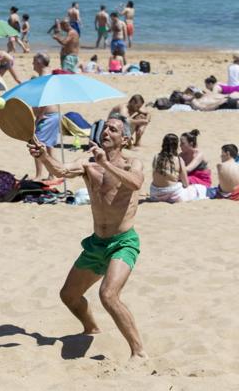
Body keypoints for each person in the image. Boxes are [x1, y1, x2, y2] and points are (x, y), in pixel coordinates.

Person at [28, 114, 147, 359]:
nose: (106, 132)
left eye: (113, 130)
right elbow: (59, 170)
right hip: (96, 243)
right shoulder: (88, 163)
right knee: (68, 295)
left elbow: (136, 183)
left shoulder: (132, 163)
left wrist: (106, 164)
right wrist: (43, 155)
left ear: (124, 139)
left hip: (123, 242)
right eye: (104, 128)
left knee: (108, 295)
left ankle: (139, 352)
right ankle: (92, 328)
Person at [149, 133, 207, 202]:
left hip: (154, 193)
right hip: (172, 193)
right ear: (175, 145)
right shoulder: (178, 159)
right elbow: (186, 184)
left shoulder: (156, 157)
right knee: (197, 189)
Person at [31, 53, 60, 180]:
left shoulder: (44, 77)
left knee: (36, 144)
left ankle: (39, 175)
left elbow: (44, 99)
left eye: (33, 61)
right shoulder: (50, 75)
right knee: (49, 146)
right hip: (53, 114)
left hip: (47, 116)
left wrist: (39, 117)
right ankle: (52, 174)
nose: (32, 64)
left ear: (39, 62)